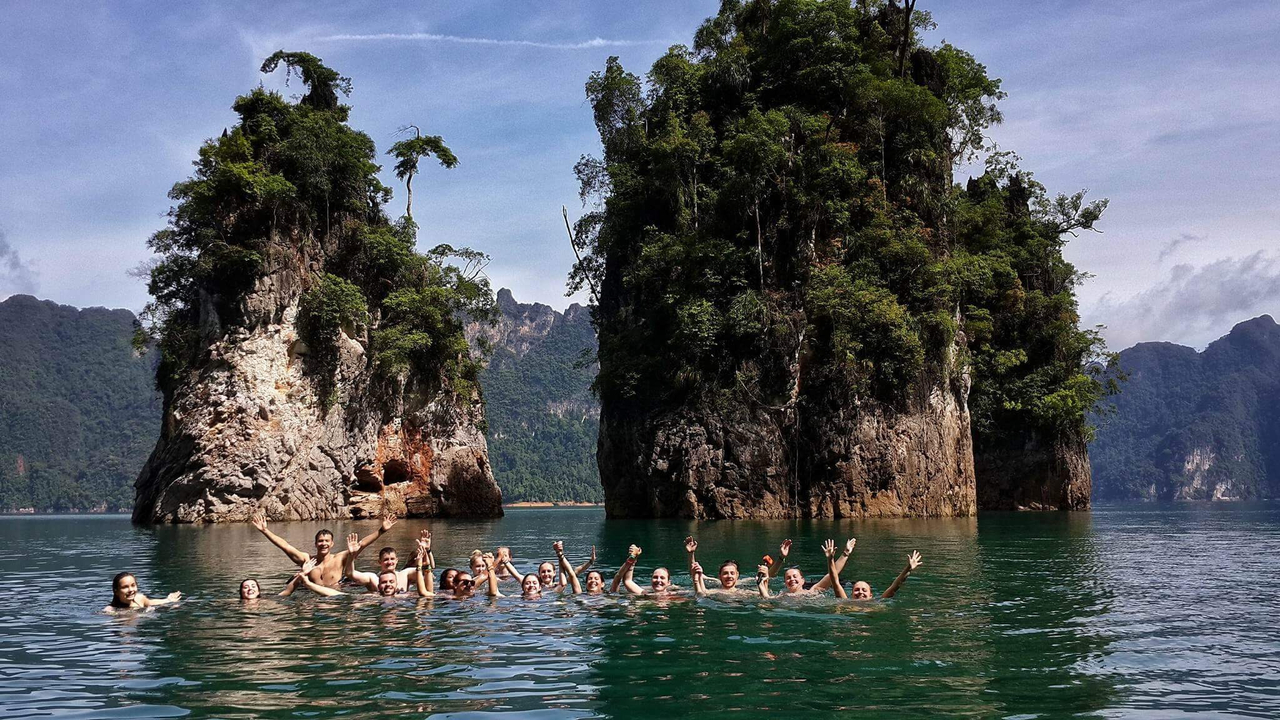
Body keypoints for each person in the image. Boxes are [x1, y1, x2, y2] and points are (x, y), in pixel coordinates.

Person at [251, 510, 396, 588]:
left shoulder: (340, 558)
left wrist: (381, 530)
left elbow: (362, 544)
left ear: (332, 544)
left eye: (327, 541)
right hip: (313, 596)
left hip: (335, 596)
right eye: (320, 541)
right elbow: (285, 546)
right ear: (315, 544)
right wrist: (265, 531)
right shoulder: (307, 560)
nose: (323, 544)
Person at [344, 531, 433, 594]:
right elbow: (350, 573)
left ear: (397, 560)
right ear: (379, 562)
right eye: (386, 559)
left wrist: (426, 551)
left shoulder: (405, 574)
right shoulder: (373, 578)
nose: (390, 562)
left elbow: (427, 570)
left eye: (392, 559)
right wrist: (351, 555)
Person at [757, 539, 843, 598]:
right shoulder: (781, 596)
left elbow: (831, 576)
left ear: (803, 580)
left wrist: (842, 555)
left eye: (795, 576)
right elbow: (766, 599)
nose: (792, 579)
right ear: (785, 583)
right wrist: (763, 580)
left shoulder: (812, 592)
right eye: (788, 578)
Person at [849, 551, 923, 600]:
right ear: (851, 594)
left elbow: (894, 587)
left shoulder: (876, 603)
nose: (860, 592)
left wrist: (908, 569)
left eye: (864, 590)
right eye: (856, 590)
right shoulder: (846, 602)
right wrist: (845, 553)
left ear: (871, 595)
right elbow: (836, 583)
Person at [615, 545, 680, 596]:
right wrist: (633, 557)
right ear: (651, 580)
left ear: (669, 583)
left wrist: (690, 555)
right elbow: (627, 581)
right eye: (655, 577)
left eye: (662, 578)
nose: (658, 580)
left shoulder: (675, 595)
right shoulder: (646, 594)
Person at [105, 572, 181, 612]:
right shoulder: (111, 610)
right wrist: (145, 613)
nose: (131, 590)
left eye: (133, 585)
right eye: (125, 587)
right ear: (116, 591)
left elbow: (151, 602)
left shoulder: (139, 598)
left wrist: (168, 600)